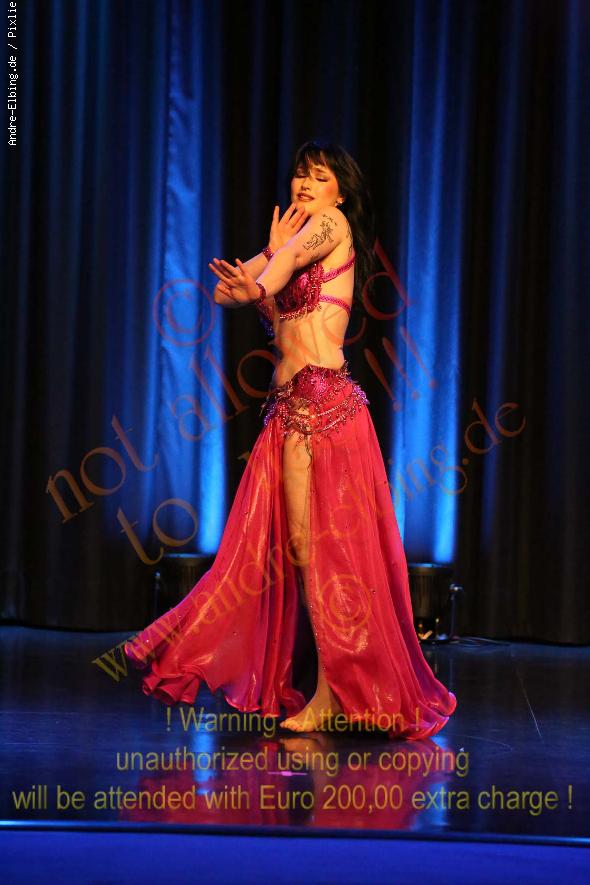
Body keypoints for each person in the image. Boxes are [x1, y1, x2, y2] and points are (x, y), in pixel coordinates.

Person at [124, 139, 457, 739]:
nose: (306, 184)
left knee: (319, 552)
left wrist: (265, 273)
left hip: (322, 407)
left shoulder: (330, 226)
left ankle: (333, 692)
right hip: (288, 410)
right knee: (279, 553)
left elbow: (267, 279)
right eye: (301, 175)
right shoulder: (294, 239)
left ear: (341, 192)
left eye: (320, 176)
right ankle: (324, 682)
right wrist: (262, 264)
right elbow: (229, 291)